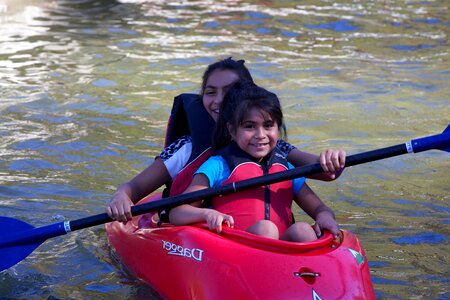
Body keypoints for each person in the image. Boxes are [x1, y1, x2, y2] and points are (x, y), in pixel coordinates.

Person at [107, 57, 345, 224]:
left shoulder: (266, 142)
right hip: (197, 234)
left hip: (255, 236)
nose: (219, 100)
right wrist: (121, 196)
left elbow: (325, 172)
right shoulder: (188, 146)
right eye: (210, 92)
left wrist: (331, 159)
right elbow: (134, 188)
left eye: (230, 90)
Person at [169, 83, 339, 241]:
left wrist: (324, 216)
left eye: (268, 125)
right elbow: (177, 212)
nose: (260, 135)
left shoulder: (286, 168)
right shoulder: (218, 166)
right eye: (249, 126)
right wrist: (205, 214)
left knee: (302, 230)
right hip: (234, 248)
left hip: (281, 253)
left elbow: (320, 208)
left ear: (277, 128)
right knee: (266, 229)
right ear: (232, 130)